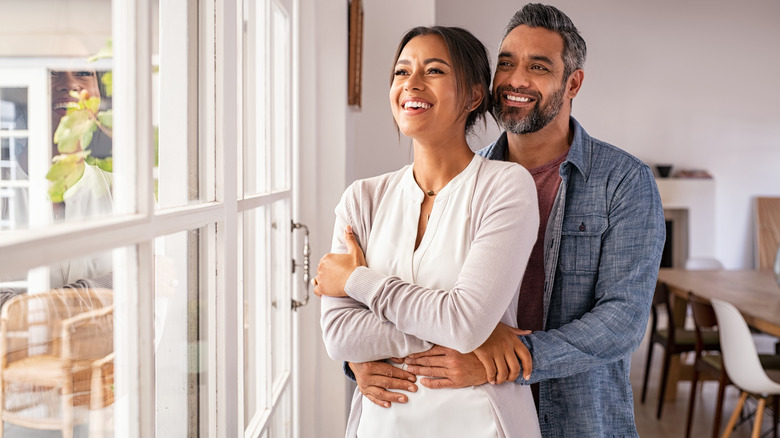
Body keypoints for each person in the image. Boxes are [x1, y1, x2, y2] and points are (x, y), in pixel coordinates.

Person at [347, 4, 666, 437]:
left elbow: (622, 320)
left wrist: (513, 356)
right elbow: (419, 293)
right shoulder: (462, 180)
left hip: (579, 419)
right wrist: (359, 358)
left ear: (573, 83)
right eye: (506, 63)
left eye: (538, 67)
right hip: (472, 415)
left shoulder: (622, 181)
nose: (516, 80)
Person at [314, 26, 541, 437]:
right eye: (402, 72)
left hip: (481, 424)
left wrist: (355, 280)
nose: (411, 83)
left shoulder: (506, 187)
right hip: (380, 426)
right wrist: (467, 333)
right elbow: (339, 336)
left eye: (434, 70)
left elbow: (464, 323)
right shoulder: (361, 199)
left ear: (474, 96)